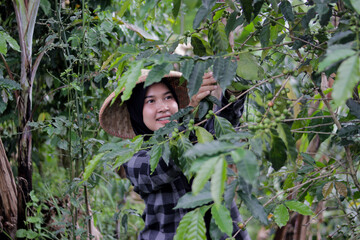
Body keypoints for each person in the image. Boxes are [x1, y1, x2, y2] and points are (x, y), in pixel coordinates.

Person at [99, 69, 251, 240]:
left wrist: (234, 90)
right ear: (136, 111)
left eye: (168, 97)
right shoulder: (135, 160)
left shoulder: (198, 134)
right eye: (150, 101)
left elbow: (223, 134)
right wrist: (189, 115)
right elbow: (167, 163)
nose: (163, 107)